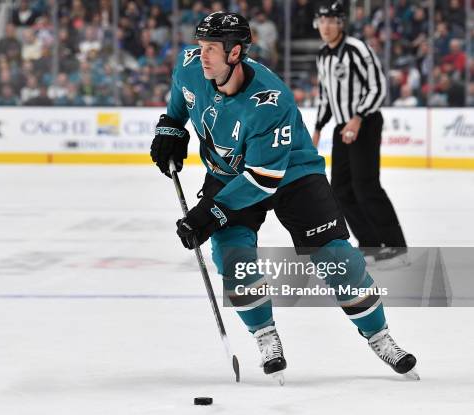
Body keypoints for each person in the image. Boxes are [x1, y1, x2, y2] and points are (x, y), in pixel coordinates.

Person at [150, 11, 418, 383]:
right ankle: (265, 336)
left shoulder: (269, 101)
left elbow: (263, 179)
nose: (203, 54)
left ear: (235, 53)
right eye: (201, 45)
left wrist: (207, 214)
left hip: (290, 171)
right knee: (232, 257)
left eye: (212, 48)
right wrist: (171, 128)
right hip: (227, 172)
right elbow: (182, 95)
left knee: (335, 256)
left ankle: (380, 336)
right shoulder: (192, 65)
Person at [311, 1, 408, 265]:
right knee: (341, 190)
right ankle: (371, 244)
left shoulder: (357, 49)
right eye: (322, 21)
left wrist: (357, 118)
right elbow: (325, 97)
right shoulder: (322, 55)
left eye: (331, 21)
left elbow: (378, 87)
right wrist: (318, 128)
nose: (326, 26)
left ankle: (396, 246)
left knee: (366, 186)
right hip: (342, 126)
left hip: (364, 123)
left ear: (341, 23)